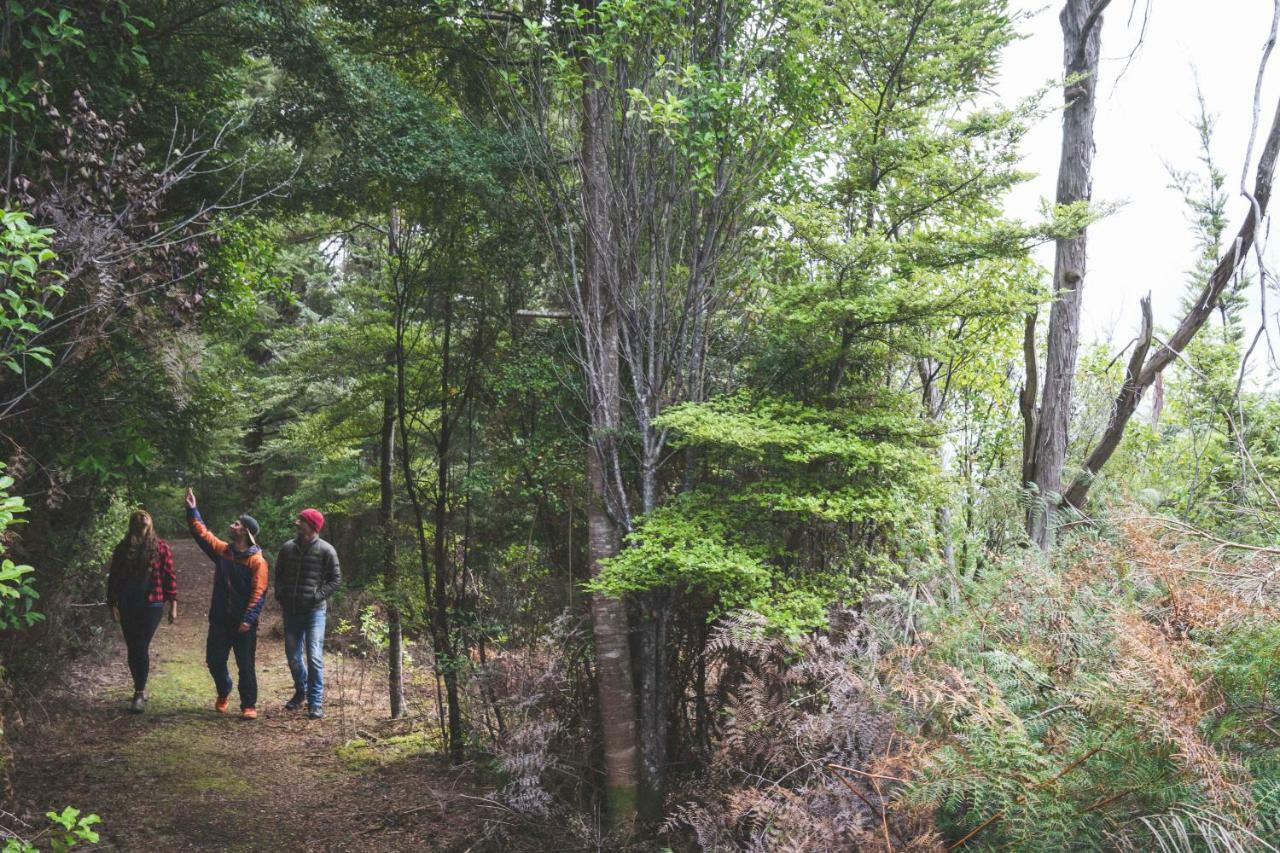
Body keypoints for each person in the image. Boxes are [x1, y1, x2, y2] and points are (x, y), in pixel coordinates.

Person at [184, 487, 268, 720]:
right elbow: (203, 535)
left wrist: (248, 620)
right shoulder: (223, 552)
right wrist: (193, 509)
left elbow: (259, 593)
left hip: (243, 624)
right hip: (220, 619)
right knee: (214, 661)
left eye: (237, 524)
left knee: (246, 666)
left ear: (246, 532)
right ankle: (224, 689)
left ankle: (248, 705)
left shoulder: (257, 561)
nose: (233, 525)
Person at [105, 509, 178, 714]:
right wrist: (112, 605)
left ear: (151, 521)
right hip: (128, 603)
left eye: (144, 514)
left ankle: (139, 692)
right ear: (132, 523)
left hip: (152, 604)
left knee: (140, 645)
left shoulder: (161, 547)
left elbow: (169, 576)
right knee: (133, 647)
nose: (141, 517)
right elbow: (114, 578)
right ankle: (140, 686)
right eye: (137, 516)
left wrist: (173, 605)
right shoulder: (122, 549)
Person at [274, 507, 341, 719]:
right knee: (293, 657)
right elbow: (279, 575)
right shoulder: (287, 548)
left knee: (314, 656)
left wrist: (316, 596)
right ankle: (301, 691)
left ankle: (315, 702)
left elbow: (335, 580)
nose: (297, 523)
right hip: (291, 611)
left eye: (301, 520)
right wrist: (281, 595)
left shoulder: (326, 550)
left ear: (312, 525)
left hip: (314, 612)